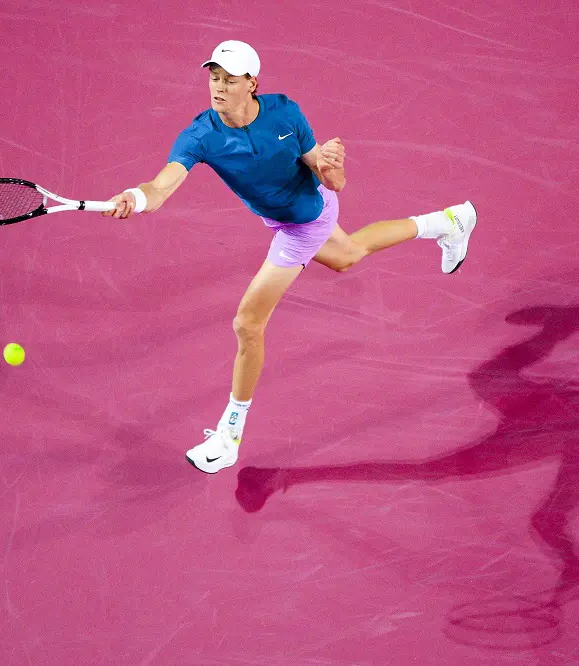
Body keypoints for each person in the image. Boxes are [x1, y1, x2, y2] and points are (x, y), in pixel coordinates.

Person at [104, 40, 478, 474]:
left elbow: (332, 181)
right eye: (214, 77)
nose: (218, 87)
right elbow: (160, 187)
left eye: (229, 80)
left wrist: (333, 165)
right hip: (289, 216)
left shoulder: (285, 113)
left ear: (252, 83)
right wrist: (134, 197)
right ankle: (450, 221)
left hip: (304, 222)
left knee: (247, 324)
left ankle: (229, 435)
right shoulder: (200, 135)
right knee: (348, 254)